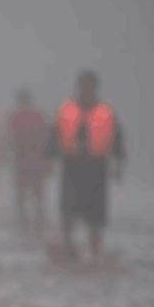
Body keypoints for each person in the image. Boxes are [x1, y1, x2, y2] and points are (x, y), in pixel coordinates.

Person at [46, 70, 125, 262]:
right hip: (72, 169)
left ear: (95, 88)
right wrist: (48, 161)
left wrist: (119, 167)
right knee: (68, 215)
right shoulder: (67, 111)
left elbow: (118, 142)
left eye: (89, 86)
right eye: (83, 86)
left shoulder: (105, 113)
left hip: (96, 170)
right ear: (78, 87)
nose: (86, 90)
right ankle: (69, 250)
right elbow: (53, 138)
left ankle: (95, 255)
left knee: (95, 219)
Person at [3, 88, 49, 235]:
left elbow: (9, 139)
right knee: (34, 195)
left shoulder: (17, 117)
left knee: (26, 195)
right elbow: (44, 138)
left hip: (25, 161)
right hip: (31, 161)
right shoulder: (37, 116)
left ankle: (28, 223)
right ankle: (34, 223)